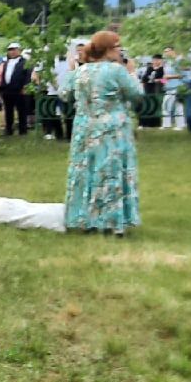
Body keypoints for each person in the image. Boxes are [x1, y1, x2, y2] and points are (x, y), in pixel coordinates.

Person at [64, 30, 142, 235]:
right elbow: (137, 94)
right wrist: (132, 72)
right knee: (110, 171)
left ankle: (85, 219)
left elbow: (64, 93)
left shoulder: (81, 71)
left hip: (84, 129)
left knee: (86, 172)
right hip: (111, 129)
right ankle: (113, 221)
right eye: (117, 46)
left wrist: (72, 71)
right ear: (108, 49)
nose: (120, 50)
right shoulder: (117, 71)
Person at [0, 43, 31, 136]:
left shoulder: (24, 62)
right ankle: (9, 129)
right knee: (8, 111)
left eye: (14, 49)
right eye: (10, 50)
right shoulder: (6, 62)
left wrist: (25, 86)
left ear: (19, 50)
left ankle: (22, 130)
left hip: (20, 89)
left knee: (21, 110)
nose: (12, 52)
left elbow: (28, 75)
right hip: (7, 89)